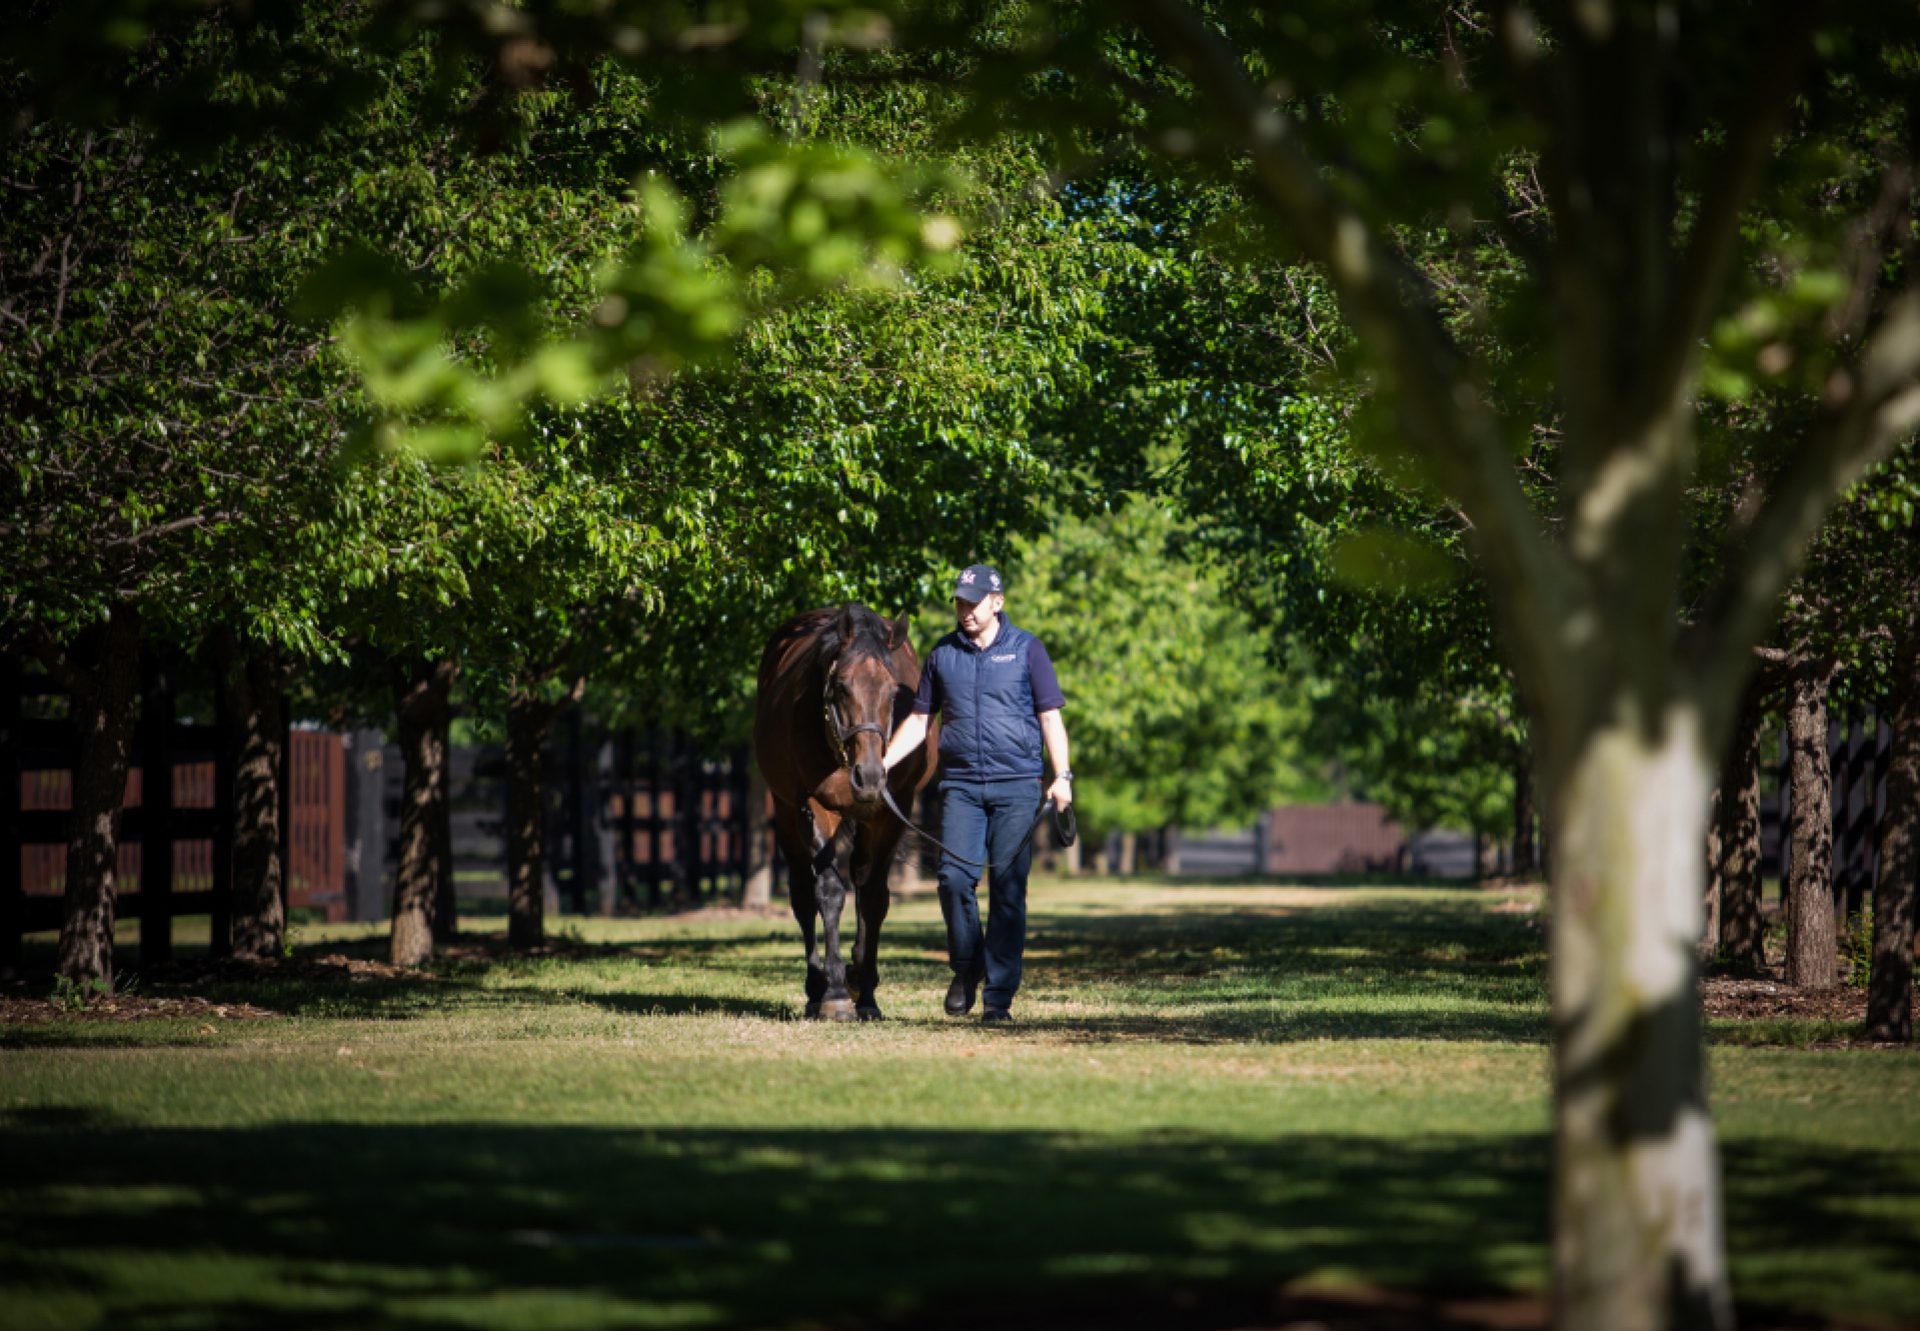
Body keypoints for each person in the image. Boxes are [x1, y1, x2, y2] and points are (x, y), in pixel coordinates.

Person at [881, 562, 1072, 1023]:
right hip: (962, 786)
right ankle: (968, 967)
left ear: (997, 602)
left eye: (974, 602)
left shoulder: (1027, 649)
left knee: (1008, 889)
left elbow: (1050, 716)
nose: (965, 610)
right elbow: (920, 721)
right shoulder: (942, 654)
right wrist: (882, 764)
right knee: (953, 880)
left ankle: (998, 998)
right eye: (960, 602)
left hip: (1018, 786)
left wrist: (1062, 775)